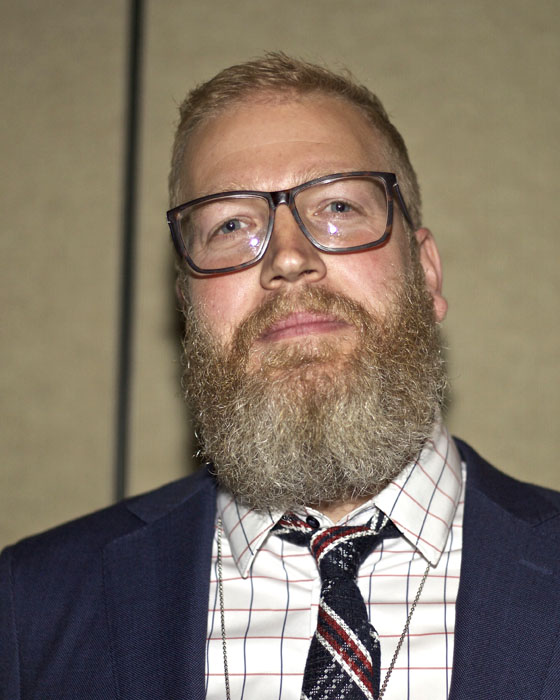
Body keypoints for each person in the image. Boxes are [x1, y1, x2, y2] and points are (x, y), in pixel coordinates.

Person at [1, 53, 559, 700]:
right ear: (187, 307)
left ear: (426, 272)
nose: (289, 258)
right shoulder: (29, 608)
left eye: (339, 206)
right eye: (231, 225)